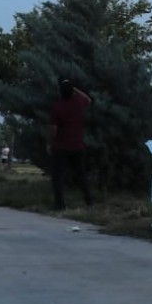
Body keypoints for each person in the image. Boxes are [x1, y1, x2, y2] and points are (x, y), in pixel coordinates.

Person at [47, 77, 93, 211]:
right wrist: (74, 88)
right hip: (77, 144)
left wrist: (49, 143)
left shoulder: (58, 107)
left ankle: (60, 204)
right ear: (73, 92)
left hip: (60, 146)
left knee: (58, 176)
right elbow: (88, 99)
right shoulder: (79, 102)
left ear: (60, 92)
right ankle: (89, 201)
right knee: (81, 174)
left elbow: (53, 129)